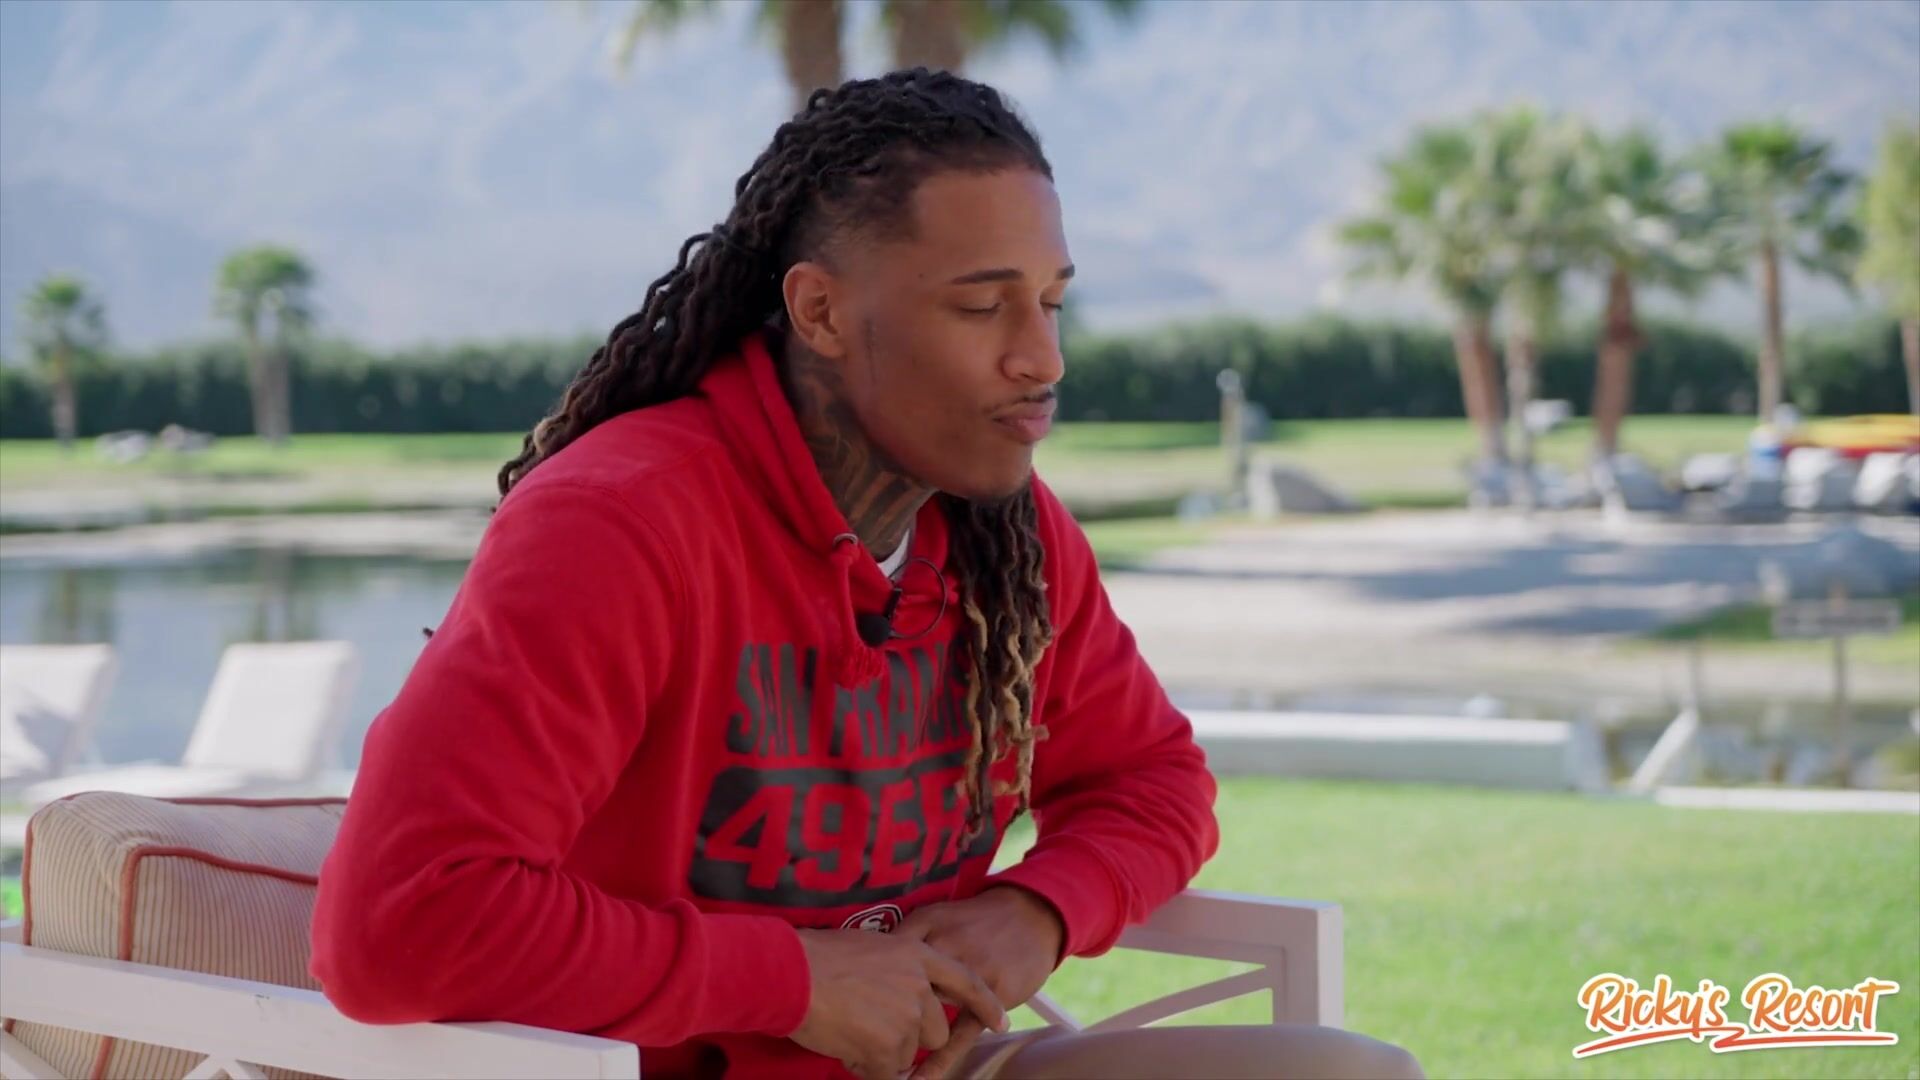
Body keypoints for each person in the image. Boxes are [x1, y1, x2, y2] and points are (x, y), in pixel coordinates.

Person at [311, 69, 1423, 1080]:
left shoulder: (1012, 537)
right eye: (982, 306)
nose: (1042, 358)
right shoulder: (619, 527)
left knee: (1356, 1076)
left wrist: (1038, 908)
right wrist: (794, 982)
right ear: (822, 312)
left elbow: (1155, 782)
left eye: (1051, 302)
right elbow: (399, 924)